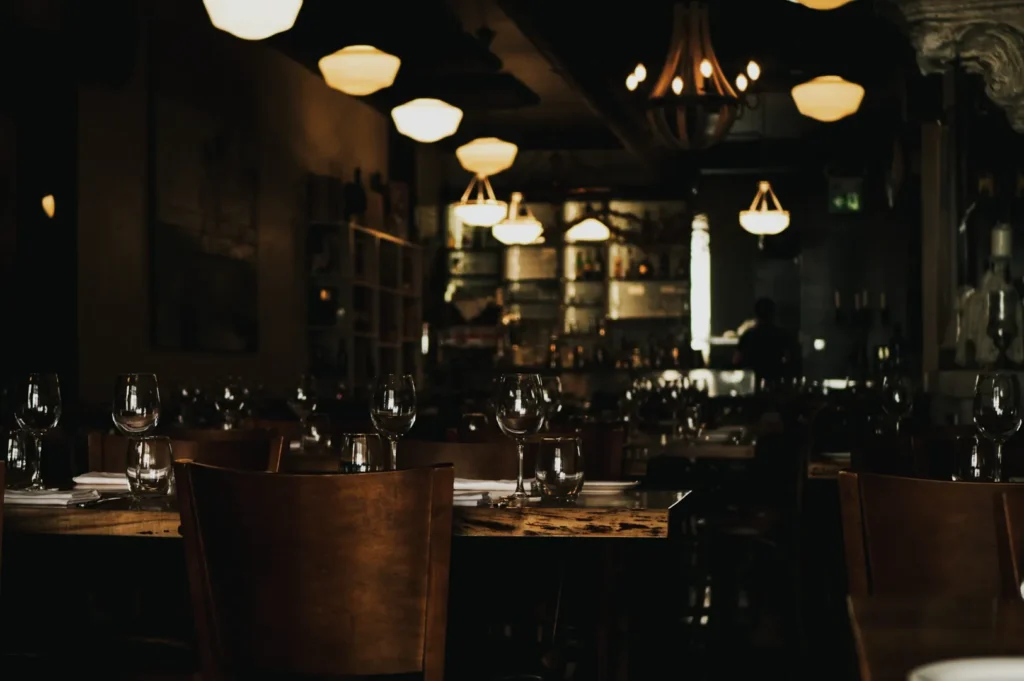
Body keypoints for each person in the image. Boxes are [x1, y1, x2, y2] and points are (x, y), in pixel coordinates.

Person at [734, 298, 797, 383]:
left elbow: (737, 360)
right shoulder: (781, 335)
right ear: (773, 313)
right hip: (774, 380)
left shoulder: (748, 335)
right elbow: (789, 359)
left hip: (752, 381)